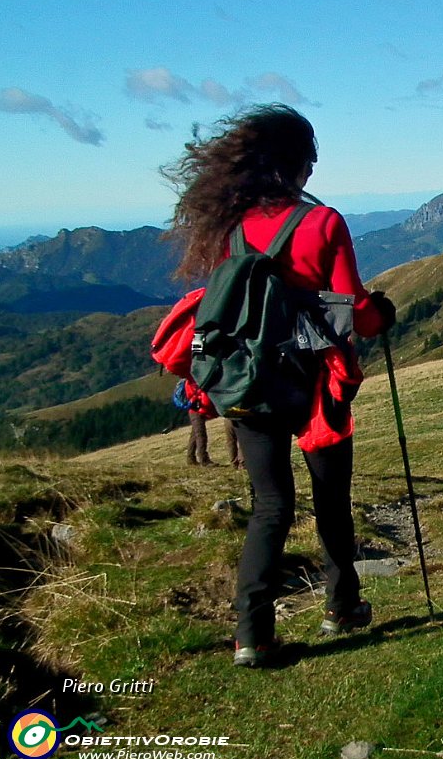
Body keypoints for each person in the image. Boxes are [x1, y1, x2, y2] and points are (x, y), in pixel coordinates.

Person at [163, 104, 395, 668]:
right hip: (315, 386)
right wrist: (381, 314)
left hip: (247, 378)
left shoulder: (230, 227)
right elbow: (353, 313)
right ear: (293, 165)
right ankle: (342, 607)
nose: (313, 171)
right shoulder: (324, 223)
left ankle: (251, 635)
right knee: (331, 498)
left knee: (270, 505)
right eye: (309, 161)